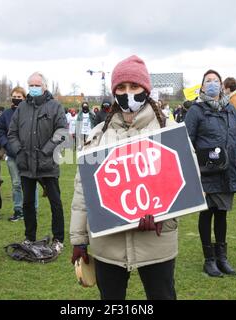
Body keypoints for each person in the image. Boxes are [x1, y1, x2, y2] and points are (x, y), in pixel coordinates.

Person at [70, 55, 178, 300]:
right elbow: (82, 191)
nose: (127, 92)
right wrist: (79, 239)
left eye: (134, 86)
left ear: (146, 90)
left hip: (156, 240)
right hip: (108, 244)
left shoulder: (169, 130)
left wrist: (164, 213)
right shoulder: (98, 135)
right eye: (121, 87)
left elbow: (188, 185)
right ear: (114, 91)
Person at [185, 70, 236, 278]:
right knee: (207, 212)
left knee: (222, 213)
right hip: (206, 171)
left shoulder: (230, 108)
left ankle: (222, 258)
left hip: (227, 169)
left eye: (216, 81)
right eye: (208, 81)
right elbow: (187, 140)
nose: (212, 84)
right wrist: (195, 169)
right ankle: (209, 260)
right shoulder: (196, 110)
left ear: (221, 86)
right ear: (202, 87)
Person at [8, 72, 67, 253]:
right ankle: (29, 237)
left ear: (44, 86)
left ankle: (58, 238)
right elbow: (12, 133)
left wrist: (46, 151)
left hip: (47, 163)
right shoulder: (21, 108)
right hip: (26, 164)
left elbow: (62, 131)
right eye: (31, 85)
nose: (33, 88)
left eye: (36, 85)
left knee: (55, 202)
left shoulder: (55, 106)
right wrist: (19, 150)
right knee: (27, 203)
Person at [0, 87, 39, 222]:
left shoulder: (31, 112)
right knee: (16, 183)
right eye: (14, 96)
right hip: (12, 154)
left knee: (32, 182)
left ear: (24, 98)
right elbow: (0, 131)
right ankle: (18, 209)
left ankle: (33, 208)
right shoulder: (6, 114)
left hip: (29, 154)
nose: (16, 99)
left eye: (19, 97)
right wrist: (7, 145)